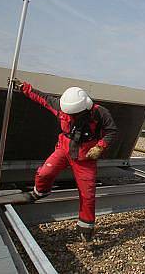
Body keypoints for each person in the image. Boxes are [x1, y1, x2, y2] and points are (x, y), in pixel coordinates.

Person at [13, 79, 118, 241]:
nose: (69, 116)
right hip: (64, 150)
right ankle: (40, 191)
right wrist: (23, 88)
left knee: (88, 194)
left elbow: (111, 131)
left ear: (84, 109)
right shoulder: (60, 106)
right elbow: (42, 98)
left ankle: (86, 227)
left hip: (85, 158)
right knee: (44, 172)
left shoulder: (100, 113)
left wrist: (99, 147)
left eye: (73, 115)